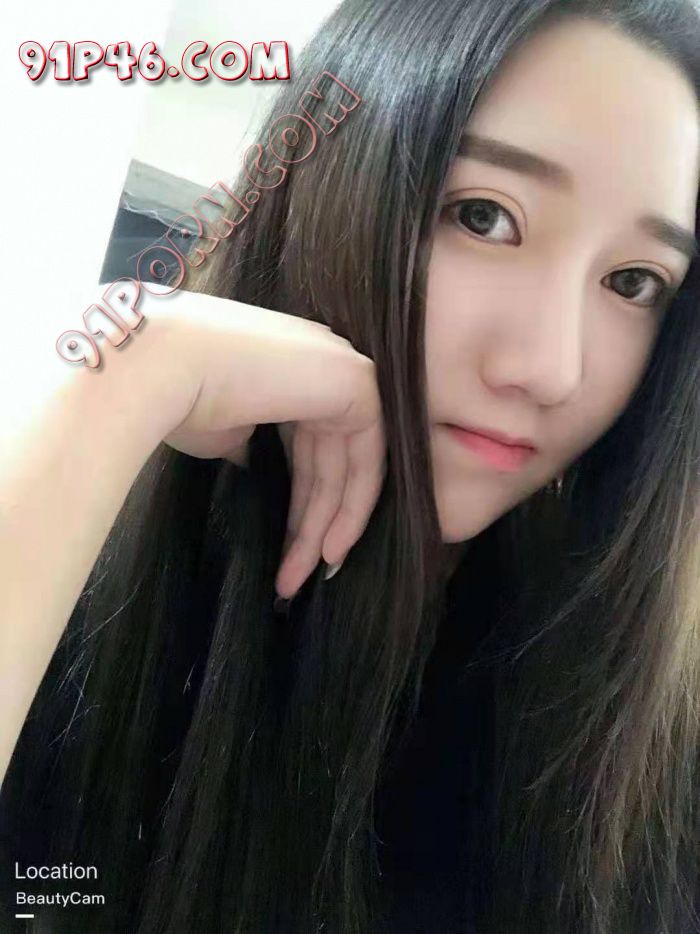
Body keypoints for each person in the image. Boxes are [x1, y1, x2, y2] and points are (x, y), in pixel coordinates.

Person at [1, 0, 700, 931]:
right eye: (483, 216)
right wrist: (120, 378)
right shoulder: (76, 573)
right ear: (328, 186)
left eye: (633, 282)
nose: (549, 369)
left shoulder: (640, 729)